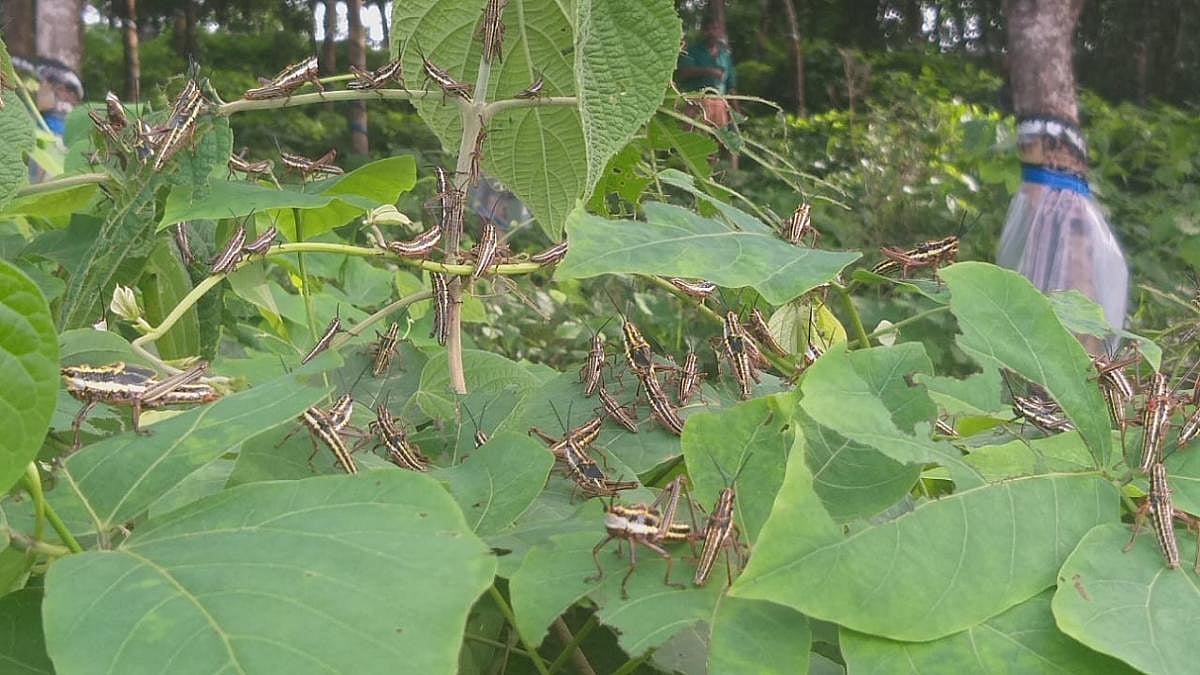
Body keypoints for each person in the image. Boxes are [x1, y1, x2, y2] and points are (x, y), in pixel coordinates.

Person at [676, 20, 739, 168]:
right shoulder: (692, 51)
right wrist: (709, 71)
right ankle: (686, 170)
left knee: (716, 139)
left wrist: (735, 109)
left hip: (719, 103)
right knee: (691, 137)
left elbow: (731, 85)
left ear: (720, 32)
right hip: (696, 101)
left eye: (715, 29)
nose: (712, 32)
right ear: (703, 32)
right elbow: (685, 73)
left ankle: (712, 172)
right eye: (708, 29)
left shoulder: (725, 56)